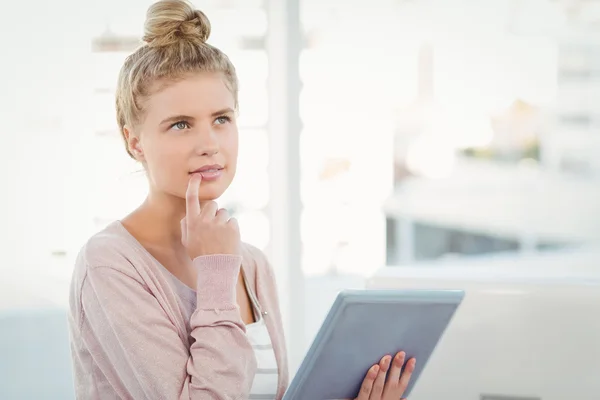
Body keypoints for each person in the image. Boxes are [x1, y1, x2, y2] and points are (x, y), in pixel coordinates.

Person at [67, 0, 416, 399]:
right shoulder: (109, 265)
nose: (209, 144)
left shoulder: (251, 264)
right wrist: (215, 274)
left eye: (221, 119)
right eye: (180, 125)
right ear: (134, 141)